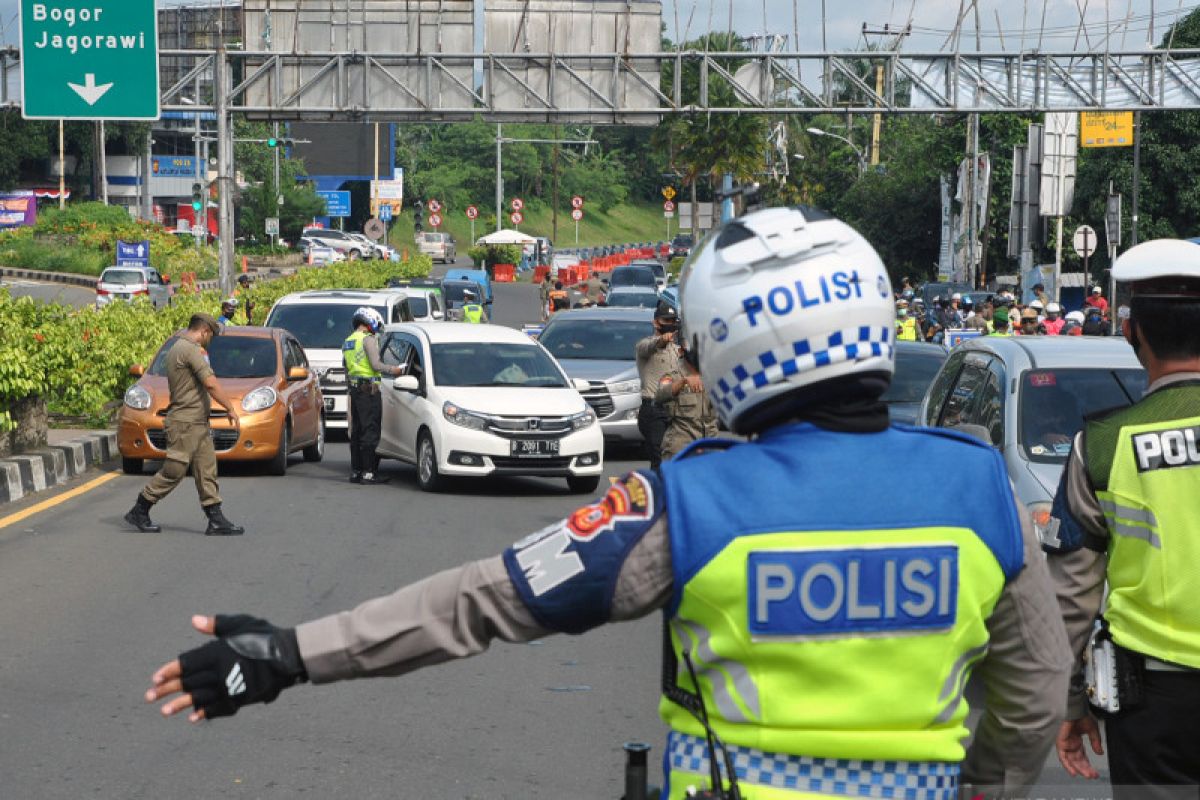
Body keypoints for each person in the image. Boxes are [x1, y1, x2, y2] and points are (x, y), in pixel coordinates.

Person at [145, 207, 1072, 799]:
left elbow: (483, 600)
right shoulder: (977, 487)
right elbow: (1034, 695)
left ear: (732, 350)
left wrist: (290, 655)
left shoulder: (692, 501)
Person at [1045, 238, 1200, 797]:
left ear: (1132, 333)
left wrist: (1070, 700)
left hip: (1151, 702)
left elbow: (1070, 595)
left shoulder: (1103, 445)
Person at [124, 313, 245, 536]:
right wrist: (229, 408)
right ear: (204, 331)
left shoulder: (179, 347)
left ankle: (216, 518)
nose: (211, 340)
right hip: (185, 421)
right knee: (175, 470)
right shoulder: (190, 350)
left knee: (206, 469)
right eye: (211, 335)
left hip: (197, 422)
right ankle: (140, 508)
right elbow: (210, 383)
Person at [343, 307, 403, 485]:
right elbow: (376, 365)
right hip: (369, 391)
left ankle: (356, 471)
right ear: (370, 321)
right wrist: (395, 370)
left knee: (357, 431)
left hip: (355, 390)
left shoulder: (348, 341)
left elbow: (346, 368)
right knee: (370, 431)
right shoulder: (368, 339)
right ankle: (369, 473)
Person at [655, 335, 717, 461]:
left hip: (710, 445)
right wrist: (683, 382)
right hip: (681, 446)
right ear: (681, 351)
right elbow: (659, 396)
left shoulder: (713, 376)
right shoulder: (672, 375)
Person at [635, 302, 680, 469]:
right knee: (659, 457)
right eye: (666, 320)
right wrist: (661, 340)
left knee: (676, 456)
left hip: (675, 409)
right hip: (653, 410)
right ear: (656, 322)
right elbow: (650, 347)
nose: (670, 324)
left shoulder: (677, 350)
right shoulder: (644, 345)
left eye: (673, 320)